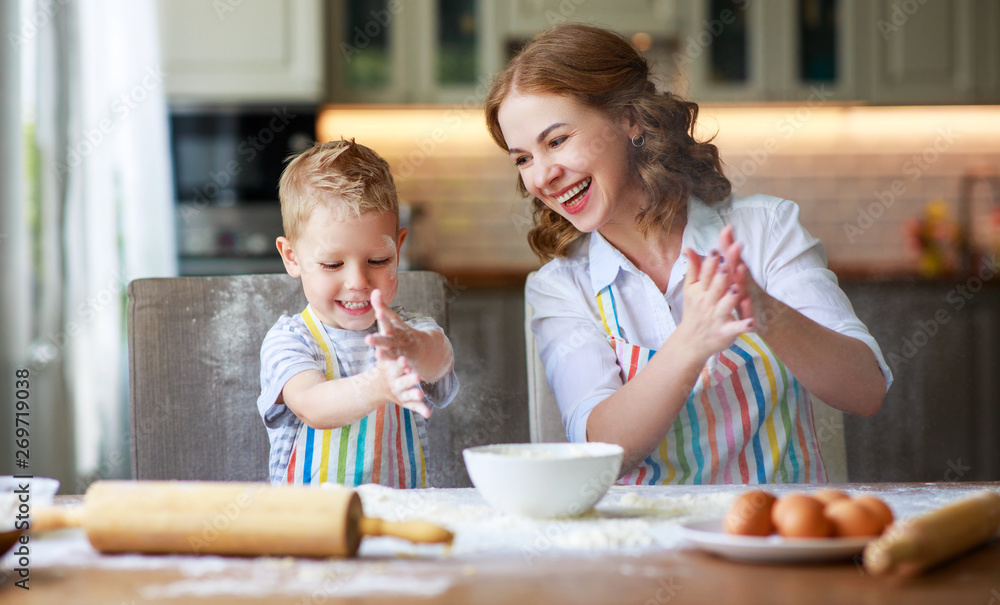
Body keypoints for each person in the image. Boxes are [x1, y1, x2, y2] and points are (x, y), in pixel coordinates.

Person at [485, 24, 891, 485]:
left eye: (556, 141)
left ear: (630, 118)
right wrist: (691, 342)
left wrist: (765, 310)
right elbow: (600, 453)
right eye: (522, 158)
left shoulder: (764, 230)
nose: (542, 176)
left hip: (774, 535)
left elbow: (866, 391)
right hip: (639, 546)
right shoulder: (561, 286)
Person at [257, 139, 459, 488]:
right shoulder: (290, 341)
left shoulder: (408, 330)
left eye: (378, 261)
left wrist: (416, 348)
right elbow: (311, 405)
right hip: (312, 527)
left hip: (400, 519)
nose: (357, 282)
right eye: (332, 263)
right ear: (291, 257)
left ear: (398, 249)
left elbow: (439, 360)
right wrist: (379, 384)